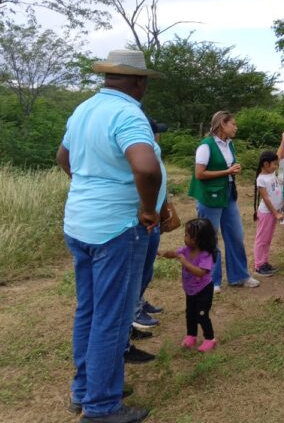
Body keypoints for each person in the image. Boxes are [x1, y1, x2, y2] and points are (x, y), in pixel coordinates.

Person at [56, 49, 162, 423]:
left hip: (80, 224)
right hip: (117, 230)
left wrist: (91, 190)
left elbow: (63, 158)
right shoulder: (128, 113)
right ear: (137, 81)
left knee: (88, 310)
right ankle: (100, 408)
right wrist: (148, 210)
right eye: (144, 80)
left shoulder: (85, 109)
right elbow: (147, 168)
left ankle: (83, 390)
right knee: (112, 318)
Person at [188, 111, 260, 293]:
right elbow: (199, 174)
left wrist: (233, 171)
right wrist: (227, 172)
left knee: (236, 234)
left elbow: (227, 167)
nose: (236, 127)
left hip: (227, 194)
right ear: (222, 124)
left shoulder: (229, 144)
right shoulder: (205, 147)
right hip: (209, 196)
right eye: (233, 124)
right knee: (210, 238)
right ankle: (211, 280)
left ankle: (239, 276)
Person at [159, 218, 218, 353]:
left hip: (203, 290)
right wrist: (163, 253)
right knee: (190, 314)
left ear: (196, 239)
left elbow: (201, 272)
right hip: (190, 290)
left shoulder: (205, 255)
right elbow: (174, 253)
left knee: (202, 315)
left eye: (186, 235)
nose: (184, 237)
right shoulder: (185, 250)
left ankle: (210, 338)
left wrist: (185, 262)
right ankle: (191, 335)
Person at [132, 119, 168, 332]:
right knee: (139, 268)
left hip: (152, 214)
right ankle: (134, 311)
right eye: (157, 132)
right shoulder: (142, 150)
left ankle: (139, 301)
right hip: (144, 217)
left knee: (147, 266)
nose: (158, 135)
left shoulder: (152, 149)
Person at [253, 137, 284, 277]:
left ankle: (264, 262)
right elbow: (266, 198)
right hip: (267, 213)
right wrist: (276, 213)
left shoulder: (271, 172)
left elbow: (278, 155)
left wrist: (283, 140)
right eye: (274, 164)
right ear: (266, 164)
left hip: (272, 213)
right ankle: (259, 265)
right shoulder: (261, 179)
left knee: (267, 239)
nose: (276, 166)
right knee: (262, 239)